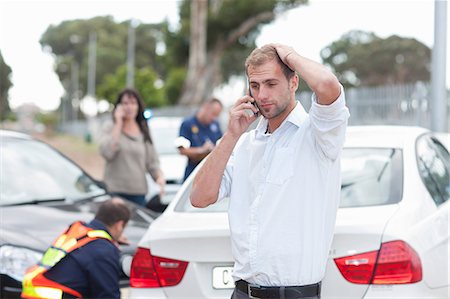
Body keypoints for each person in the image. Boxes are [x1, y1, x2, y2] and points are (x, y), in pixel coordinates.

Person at [191, 44, 350, 299]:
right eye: (255, 85)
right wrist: (232, 135)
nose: (262, 94)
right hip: (242, 293)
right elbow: (199, 197)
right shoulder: (244, 144)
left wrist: (289, 55)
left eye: (271, 83)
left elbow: (327, 85)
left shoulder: (319, 134)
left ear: (293, 82)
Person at [21, 197, 131, 299]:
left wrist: (112, 239)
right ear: (119, 225)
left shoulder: (77, 231)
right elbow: (108, 295)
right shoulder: (102, 250)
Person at [100, 88, 165, 206]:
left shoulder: (143, 130)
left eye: (133, 103)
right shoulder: (110, 127)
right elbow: (107, 153)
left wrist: (159, 178)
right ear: (118, 106)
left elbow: (152, 162)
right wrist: (118, 123)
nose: (129, 107)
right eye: (125, 103)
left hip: (138, 193)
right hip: (114, 191)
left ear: (138, 106)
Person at [176, 97, 223, 181]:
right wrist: (202, 150)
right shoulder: (187, 124)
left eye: (217, 116)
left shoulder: (215, 125)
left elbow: (222, 146)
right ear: (206, 108)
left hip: (211, 174)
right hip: (193, 173)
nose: (214, 118)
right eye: (213, 114)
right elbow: (182, 150)